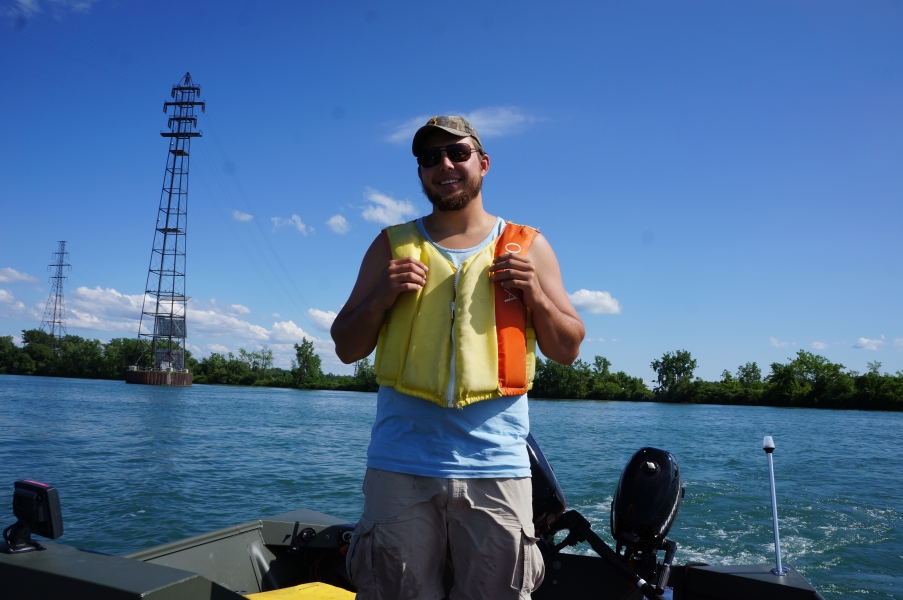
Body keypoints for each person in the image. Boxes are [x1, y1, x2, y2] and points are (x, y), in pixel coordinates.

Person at [331, 116, 585, 600]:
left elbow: (567, 348)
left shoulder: (529, 246)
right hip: (399, 465)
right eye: (429, 158)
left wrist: (534, 293)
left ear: (483, 164)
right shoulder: (389, 246)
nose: (444, 165)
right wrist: (380, 297)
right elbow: (346, 347)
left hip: (497, 467)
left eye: (457, 153)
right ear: (421, 173)